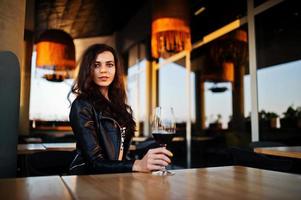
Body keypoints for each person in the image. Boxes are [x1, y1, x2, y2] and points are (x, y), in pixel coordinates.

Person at [68, 44, 173, 174]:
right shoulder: (82, 105)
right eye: (96, 65)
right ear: (88, 69)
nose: (103, 70)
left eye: (109, 65)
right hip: (90, 180)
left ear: (116, 69)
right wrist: (137, 165)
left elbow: (121, 153)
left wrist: (149, 157)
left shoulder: (118, 106)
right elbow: (94, 162)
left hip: (116, 177)